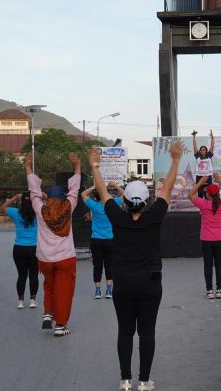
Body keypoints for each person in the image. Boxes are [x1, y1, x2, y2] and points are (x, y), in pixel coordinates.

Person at [91, 141, 182, 391]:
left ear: (126, 201)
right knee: (147, 332)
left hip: (123, 282)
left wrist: (94, 165)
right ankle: (144, 381)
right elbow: (167, 189)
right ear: (145, 199)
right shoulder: (154, 217)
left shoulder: (118, 218)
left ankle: (125, 380)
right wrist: (175, 160)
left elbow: (102, 190)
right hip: (150, 283)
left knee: (125, 332)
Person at [27, 152, 80, 337]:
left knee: (49, 285)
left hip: (45, 259)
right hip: (65, 258)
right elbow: (74, 189)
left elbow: (34, 191)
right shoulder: (69, 206)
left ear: (47, 198)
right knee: (63, 291)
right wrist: (77, 167)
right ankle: (61, 325)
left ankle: (47, 313)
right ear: (63, 198)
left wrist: (28, 168)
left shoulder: (40, 208)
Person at [188, 173, 221, 299]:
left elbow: (190, 195)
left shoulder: (204, 204)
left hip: (206, 240)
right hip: (220, 239)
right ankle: (219, 290)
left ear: (207, 194)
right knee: (219, 265)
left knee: (207, 265)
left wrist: (200, 183)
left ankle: (209, 291)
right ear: (218, 194)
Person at [82, 182, 124, 300]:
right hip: (110, 240)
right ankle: (109, 291)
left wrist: (94, 186)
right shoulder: (112, 204)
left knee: (97, 266)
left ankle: (97, 291)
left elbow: (83, 194)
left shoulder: (94, 205)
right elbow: (125, 195)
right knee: (109, 265)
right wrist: (115, 185)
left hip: (96, 240)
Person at [3, 191, 40, 309]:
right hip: (35, 248)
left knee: (21, 276)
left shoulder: (16, 212)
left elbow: (3, 207)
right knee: (34, 275)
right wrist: (39, 195)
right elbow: (50, 202)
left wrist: (15, 197)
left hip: (19, 248)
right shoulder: (38, 213)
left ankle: (20, 301)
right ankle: (33, 300)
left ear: (22, 201)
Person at [192, 130, 215, 199]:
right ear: (199, 151)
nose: (202, 151)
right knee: (200, 192)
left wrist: (212, 138)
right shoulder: (197, 156)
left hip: (208, 176)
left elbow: (212, 146)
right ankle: (201, 206)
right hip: (199, 176)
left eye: (204, 149)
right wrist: (194, 136)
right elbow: (195, 146)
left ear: (206, 151)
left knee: (208, 192)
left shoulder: (209, 156)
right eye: (201, 149)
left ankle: (207, 206)